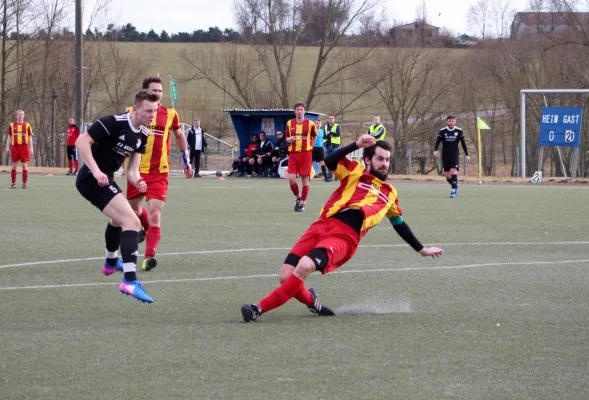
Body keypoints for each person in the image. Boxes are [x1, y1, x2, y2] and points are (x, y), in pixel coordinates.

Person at [240, 135, 443, 322]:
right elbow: (329, 162)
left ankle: (258, 308)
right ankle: (314, 303)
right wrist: (355, 144)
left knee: (304, 266)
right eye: (380, 159)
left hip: (345, 237)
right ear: (368, 160)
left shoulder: (390, 193)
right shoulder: (355, 171)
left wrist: (421, 249)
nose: (384, 164)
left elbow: (399, 224)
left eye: (387, 160)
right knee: (285, 276)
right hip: (322, 225)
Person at [75, 90, 158, 303]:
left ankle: (110, 263)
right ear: (136, 108)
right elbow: (81, 142)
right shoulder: (112, 122)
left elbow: (132, 171)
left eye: (155, 111)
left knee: (117, 220)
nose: (152, 115)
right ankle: (129, 282)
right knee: (131, 221)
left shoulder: (144, 135)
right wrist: (95, 170)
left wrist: (137, 180)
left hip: (106, 179)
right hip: (90, 178)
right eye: (148, 111)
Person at [127, 77, 193, 272]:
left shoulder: (170, 114)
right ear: (145, 92)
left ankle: (149, 256)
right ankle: (147, 230)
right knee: (134, 210)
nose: (158, 93)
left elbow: (180, 136)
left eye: (160, 91)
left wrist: (185, 160)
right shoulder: (132, 112)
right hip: (136, 171)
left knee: (156, 213)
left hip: (158, 172)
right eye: (154, 90)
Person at [286, 102, 317, 212]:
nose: (299, 111)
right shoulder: (290, 123)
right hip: (293, 154)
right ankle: (298, 198)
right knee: (291, 179)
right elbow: (287, 137)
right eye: (297, 109)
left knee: (305, 179)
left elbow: (314, 135)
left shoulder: (310, 124)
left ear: (304, 111)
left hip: (306, 154)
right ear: (294, 111)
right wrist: (289, 140)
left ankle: (302, 204)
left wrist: (311, 147)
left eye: (301, 109)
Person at [434, 115, 470, 198]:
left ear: (455, 121)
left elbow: (463, 143)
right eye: (450, 121)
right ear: (447, 121)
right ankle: (455, 185)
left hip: (454, 154)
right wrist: (435, 150)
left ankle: (453, 191)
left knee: (453, 171)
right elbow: (437, 142)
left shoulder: (459, 131)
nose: (451, 122)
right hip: (445, 154)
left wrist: (467, 154)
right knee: (447, 176)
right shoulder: (442, 131)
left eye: (452, 121)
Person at [5, 110, 33, 189]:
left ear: (23, 116)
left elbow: (30, 137)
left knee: (24, 166)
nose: (20, 116)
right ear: (16, 116)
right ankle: (13, 183)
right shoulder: (12, 125)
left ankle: (24, 184)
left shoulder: (27, 125)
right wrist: (7, 147)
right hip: (15, 147)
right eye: (19, 114)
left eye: (21, 114)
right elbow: (9, 137)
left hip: (24, 147)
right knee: (14, 166)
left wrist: (31, 148)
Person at [323, 114, 340, 181]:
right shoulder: (326, 126)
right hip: (327, 146)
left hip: (335, 146)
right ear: (328, 119)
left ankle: (337, 175)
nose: (331, 119)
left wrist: (330, 133)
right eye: (330, 118)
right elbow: (324, 136)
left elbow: (338, 134)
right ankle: (329, 176)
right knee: (328, 162)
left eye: (332, 118)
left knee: (335, 161)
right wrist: (331, 134)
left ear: (334, 119)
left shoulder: (337, 126)